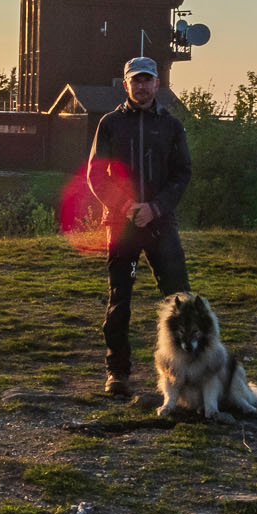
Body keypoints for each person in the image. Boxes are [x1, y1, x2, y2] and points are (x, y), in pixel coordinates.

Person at [86, 55, 192, 397]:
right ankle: (117, 373)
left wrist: (155, 207)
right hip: (122, 225)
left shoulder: (172, 126)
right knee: (119, 300)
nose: (142, 85)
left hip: (161, 224)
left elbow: (182, 173)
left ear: (157, 83)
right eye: (136, 80)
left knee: (179, 301)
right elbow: (95, 175)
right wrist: (127, 206)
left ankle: (184, 372)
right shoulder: (110, 123)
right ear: (126, 83)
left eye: (148, 79)